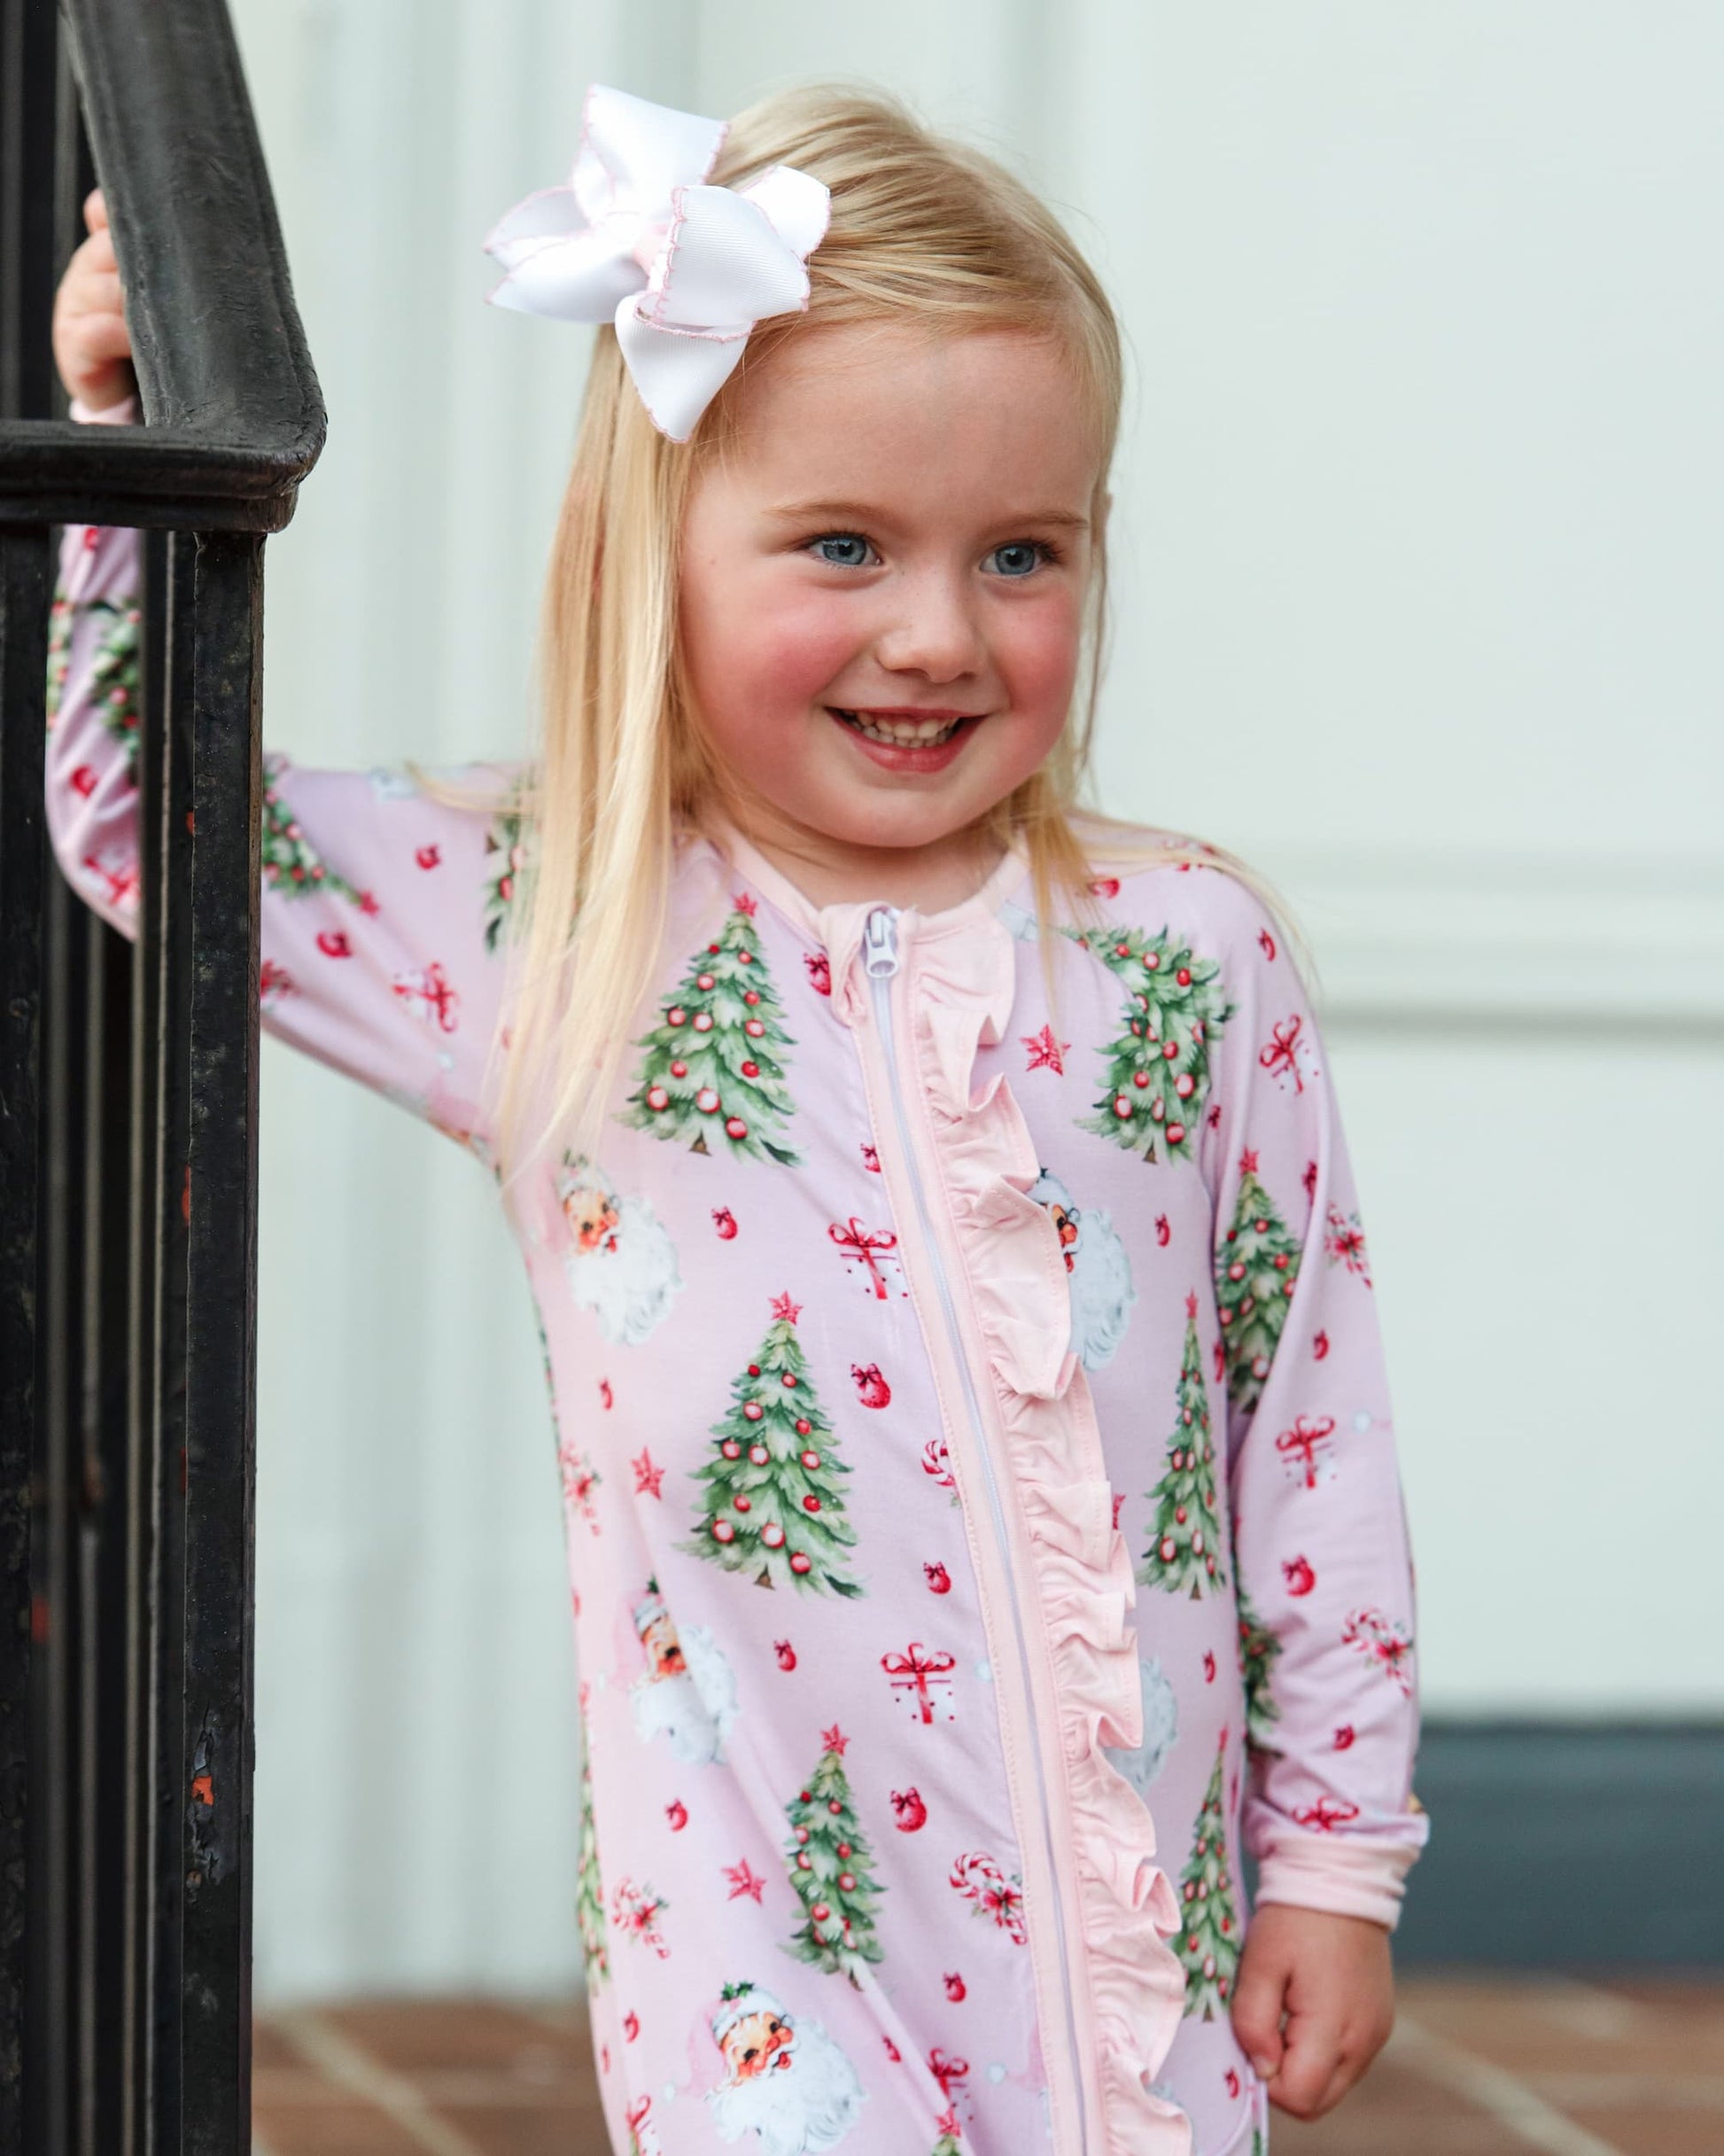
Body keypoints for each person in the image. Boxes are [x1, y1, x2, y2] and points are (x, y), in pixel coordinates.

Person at [47, 82, 1426, 2156]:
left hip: (1134, 1963)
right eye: (844, 544)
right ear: (657, 552)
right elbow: (142, 813)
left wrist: (1337, 1854)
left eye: (1021, 552)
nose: (938, 632)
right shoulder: (553, 921)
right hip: (767, 1995)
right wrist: (112, 464)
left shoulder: (1182, 954)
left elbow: (1305, 1433)